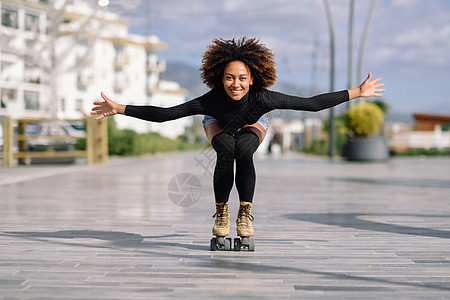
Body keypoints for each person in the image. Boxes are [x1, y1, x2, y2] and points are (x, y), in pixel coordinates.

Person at [91, 37, 385, 241]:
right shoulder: (211, 101)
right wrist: (120, 108)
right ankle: (222, 214)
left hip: (253, 123)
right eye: (230, 78)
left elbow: (311, 104)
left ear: (253, 78)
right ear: (221, 78)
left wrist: (357, 92)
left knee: (243, 149)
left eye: (242, 78)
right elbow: (167, 114)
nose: (236, 84)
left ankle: (244, 213)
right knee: (224, 149)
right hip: (217, 122)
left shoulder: (264, 98)